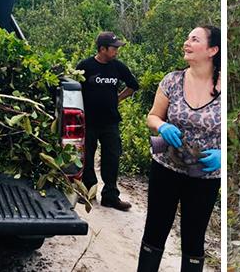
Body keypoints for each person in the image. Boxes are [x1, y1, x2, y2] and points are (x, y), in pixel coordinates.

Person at [138, 26, 221, 272]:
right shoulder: (172, 80)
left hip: (205, 174)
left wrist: (223, 156)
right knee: (155, 228)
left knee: (194, 238)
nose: (186, 43)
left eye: (194, 40)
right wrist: (162, 126)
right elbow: (152, 116)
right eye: (187, 38)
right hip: (167, 166)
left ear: (212, 50)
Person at [75, 31, 139, 211]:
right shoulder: (85, 66)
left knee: (112, 158)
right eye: (114, 48)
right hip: (88, 121)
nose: (117, 51)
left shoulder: (118, 67)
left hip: (110, 121)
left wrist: (117, 98)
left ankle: (110, 196)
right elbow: (73, 86)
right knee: (87, 156)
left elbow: (134, 85)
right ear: (102, 49)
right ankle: (89, 191)